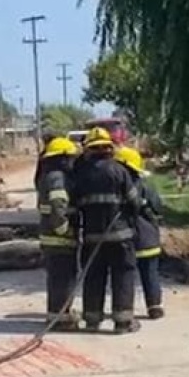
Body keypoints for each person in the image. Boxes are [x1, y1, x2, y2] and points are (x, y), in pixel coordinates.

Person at [73, 127, 143, 334]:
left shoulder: (81, 175)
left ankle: (93, 320)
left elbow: (75, 205)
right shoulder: (120, 171)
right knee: (123, 276)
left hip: (93, 237)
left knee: (93, 277)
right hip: (121, 236)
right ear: (109, 148)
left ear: (89, 149)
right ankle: (123, 322)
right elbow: (134, 202)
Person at [36, 137, 81, 331]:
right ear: (62, 158)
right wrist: (64, 229)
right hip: (59, 237)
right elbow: (58, 206)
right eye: (70, 157)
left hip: (51, 237)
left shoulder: (50, 174)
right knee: (62, 278)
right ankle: (59, 319)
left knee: (58, 277)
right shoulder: (58, 178)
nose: (73, 161)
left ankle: (59, 314)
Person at [115, 146, 165, 319]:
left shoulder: (117, 188)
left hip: (125, 239)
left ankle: (124, 310)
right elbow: (158, 207)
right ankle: (154, 306)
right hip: (149, 238)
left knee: (124, 276)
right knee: (150, 273)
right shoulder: (145, 187)